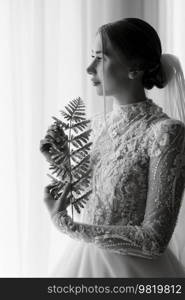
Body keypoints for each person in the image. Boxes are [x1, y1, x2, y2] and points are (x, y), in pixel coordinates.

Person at [41, 18, 185, 277]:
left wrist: (67, 226)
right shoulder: (96, 126)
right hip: (84, 265)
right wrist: (60, 160)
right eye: (91, 57)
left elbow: (153, 240)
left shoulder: (165, 133)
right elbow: (97, 200)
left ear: (135, 68)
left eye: (100, 57)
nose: (89, 68)